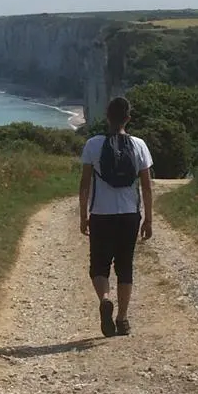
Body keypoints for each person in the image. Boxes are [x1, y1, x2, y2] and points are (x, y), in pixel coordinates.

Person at [78, 96, 154, 337]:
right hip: (130, 214)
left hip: (101, 214)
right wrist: (148, 218)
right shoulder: (140, 145)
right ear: (128, 119)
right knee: (125, 266)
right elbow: (147, 185)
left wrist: (83, 216)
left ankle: (105, 299)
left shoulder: (92, 145)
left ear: (107, 118)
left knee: (98, 265)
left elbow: (84, 185)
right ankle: (122, 319)